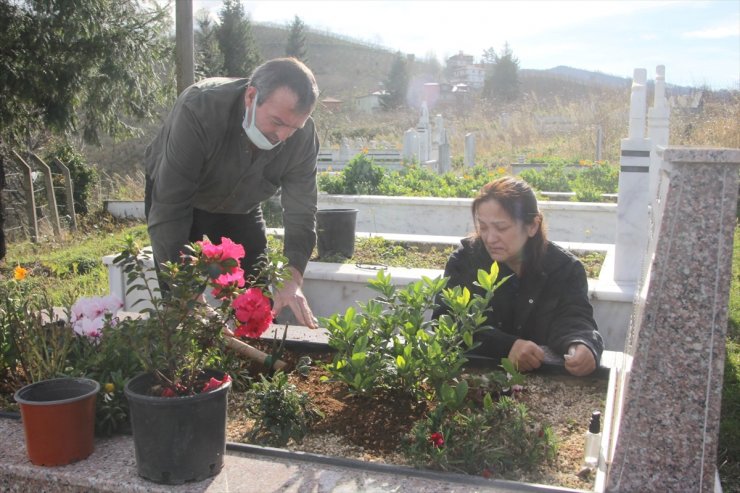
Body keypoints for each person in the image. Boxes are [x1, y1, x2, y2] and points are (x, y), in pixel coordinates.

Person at [144, 58, 320, 329]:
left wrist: (292, 279)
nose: (282, 136)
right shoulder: (200, 108)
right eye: (276, 122)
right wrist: (190, 295)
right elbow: (170, 207)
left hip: (241, 207)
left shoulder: (303, 137)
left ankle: (250, 365)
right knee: (183, 308)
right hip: (183, 202)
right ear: (251, 96)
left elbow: (301, 212)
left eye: (292, 128)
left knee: (256, 301)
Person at [432, 176, 603, 376]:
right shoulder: (465, 261)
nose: (490, 238)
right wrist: (506, 346)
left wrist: (582, 344)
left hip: (543, 379)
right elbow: (446, 322)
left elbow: (574, 317)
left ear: (532, 225)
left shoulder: (563, 268)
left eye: (501, 228)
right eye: (483, 227)